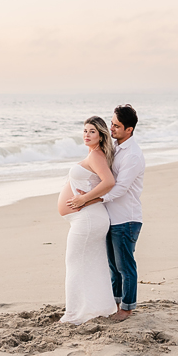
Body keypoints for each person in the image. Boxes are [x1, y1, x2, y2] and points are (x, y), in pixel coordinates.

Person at [72, 104, 145, 322]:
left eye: (116, 126)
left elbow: (119, 188)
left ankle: (127, 308)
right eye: (111, 124)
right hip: (111, 217)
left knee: (125, 266)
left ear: (129, 130)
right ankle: (115, 302)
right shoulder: (115, 147)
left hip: (126, 218)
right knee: (113, 266)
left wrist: (88, 199)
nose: (111, 128)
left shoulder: (132, 155)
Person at [57, 116, 117, 324]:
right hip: (87, 219)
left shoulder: (96, 156)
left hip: (88, 219)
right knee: (91, 265)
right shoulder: (94, 155)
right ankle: (97, 308)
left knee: (75, 264)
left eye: (92, 131)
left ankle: (73, 315)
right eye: (84, 131)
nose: (87, 135)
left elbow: (109, 182)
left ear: (101, 135)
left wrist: (84, 198)